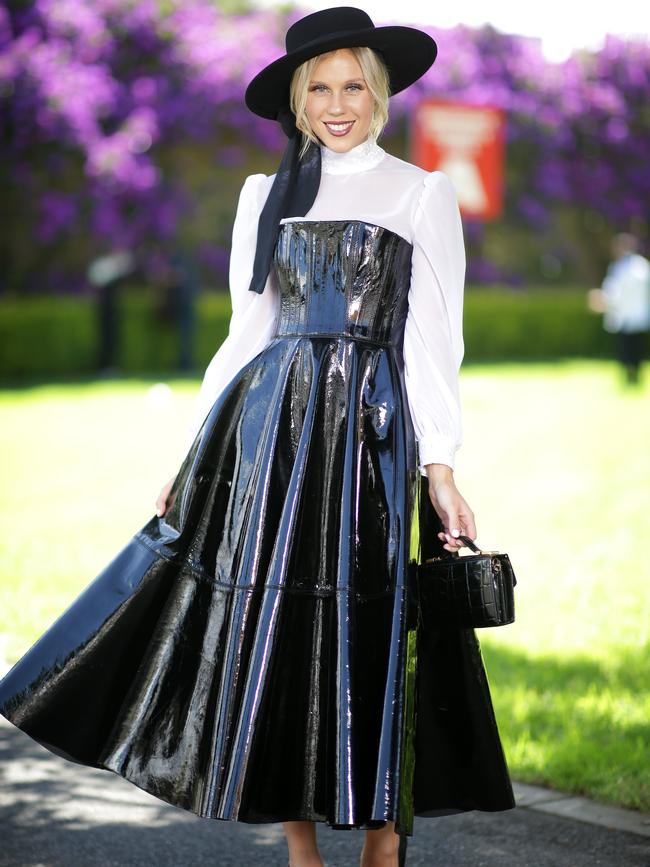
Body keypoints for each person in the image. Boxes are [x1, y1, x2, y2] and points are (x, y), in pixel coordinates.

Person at [0, 8, 515, 867]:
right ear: (297, 98)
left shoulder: (420, 192)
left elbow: (433, 342)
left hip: (371, 437)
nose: (338, 102)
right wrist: (190, 451)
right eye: (321, 86)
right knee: (277, 625)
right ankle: (301, 851)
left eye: (354, 85)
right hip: (272, 431)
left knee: (383, 621)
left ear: (379, 94)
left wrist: (441, 464)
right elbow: (245, 335)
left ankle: (384, 840)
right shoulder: (262, 194)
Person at [588, 233, 650, 385]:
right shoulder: (641, 266)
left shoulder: (624, 268)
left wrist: (601, 300)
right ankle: (633, 377)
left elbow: (614, 293)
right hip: (636, 317)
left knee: (628, 351)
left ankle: (631, 378)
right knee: (635, 350)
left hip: (628, 317)